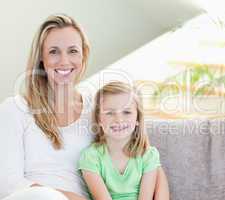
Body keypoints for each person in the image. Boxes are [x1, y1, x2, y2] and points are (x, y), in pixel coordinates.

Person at [0, 14, 169, 200]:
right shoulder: (15, 109)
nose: (64, 61)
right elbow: (8, 183)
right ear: (41, 57)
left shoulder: (98, 110)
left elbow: (145, 156)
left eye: (72, 51)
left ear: (83, 55)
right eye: (54, 51)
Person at [78, 81, 168, 200]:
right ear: (99, 119)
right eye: (110, 113)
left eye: (126, 112)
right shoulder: (90, 157)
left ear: (137, 118)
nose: (119, 120)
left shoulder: (148, 155)